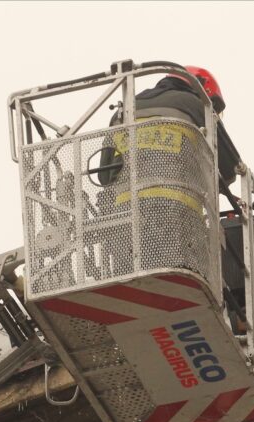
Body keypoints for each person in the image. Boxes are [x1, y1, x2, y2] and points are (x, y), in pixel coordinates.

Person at [94, 65, 241, 278]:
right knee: (180, 278)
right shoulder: (197, 106)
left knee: (130, 279)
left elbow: (104, 175)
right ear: (204, 90)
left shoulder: (124, 111)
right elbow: (229, 169)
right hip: (176, 218)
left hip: (125, 222)